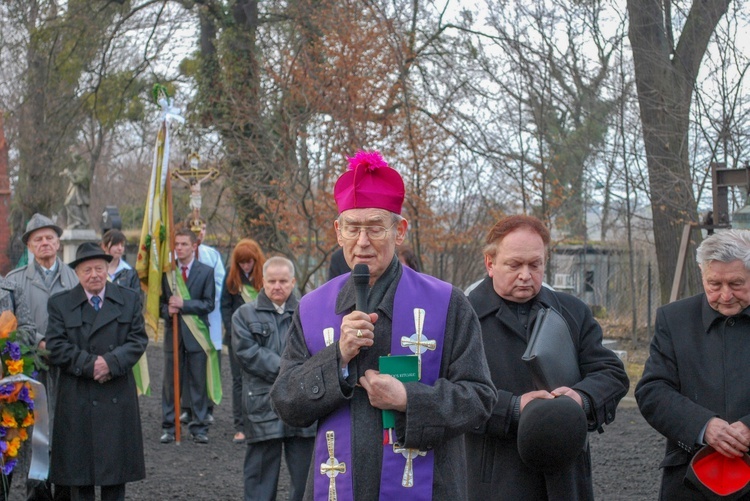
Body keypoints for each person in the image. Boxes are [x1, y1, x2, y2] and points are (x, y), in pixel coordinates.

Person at [270, 150, 496, 500]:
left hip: (429, 487)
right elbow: (285, 403)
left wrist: (409, 399)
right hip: (336, 485)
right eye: (353, 227)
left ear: (399, 230)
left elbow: (480, 399)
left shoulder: (448, 304)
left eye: (375, 227)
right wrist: (337, 358)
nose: (362, 241)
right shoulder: (312, 308)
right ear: (338, 231)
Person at [465, 215, 629, 500]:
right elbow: (452, 389)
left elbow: (611, 374)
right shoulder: (463, 317)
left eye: (535, 264)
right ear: (490, 263)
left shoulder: (571, 312)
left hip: (565, 478)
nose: (526, 275)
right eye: (515, 264)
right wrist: (515, 408)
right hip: (495, 477)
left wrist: (580, 398)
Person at [636, 229, 750, 499]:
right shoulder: (674, 319)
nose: (725, 295)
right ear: (702, 274)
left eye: (736, 284)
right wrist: (704, 426)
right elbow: (652, 391)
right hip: (691, 480)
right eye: (714, 284)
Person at [45, 242, 147, 501]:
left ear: (107, 269)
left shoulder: (129, 299)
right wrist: (91, 365)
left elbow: (138, 340)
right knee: (80, 477)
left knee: (115, 478)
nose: (94, 275)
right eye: (87, 270)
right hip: (78, 396)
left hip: (117, 393)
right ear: (77, 274)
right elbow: (56, 346)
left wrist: (110, 363)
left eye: (99, 268)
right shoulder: (60, 304)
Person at [6, 213, 79, 501]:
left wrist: (61, 348)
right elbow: (12, 325)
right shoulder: (15, 281)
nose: (45, 243)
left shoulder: (75, 277)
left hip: (68, 368)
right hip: (32, 371)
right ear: (30, 246)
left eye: (49, 237)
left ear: (58, 243)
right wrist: (40, 342)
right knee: (34, 434)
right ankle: (36, 490)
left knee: (66, 430)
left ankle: (64, 489)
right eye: (38, 239)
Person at [233, 256, 315, 501]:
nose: (277, 286)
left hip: (301, 404)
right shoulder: (243, 315)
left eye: (282, 281)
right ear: (262, 282)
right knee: (259, 483)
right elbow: (248, 354)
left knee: (305, 482)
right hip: (261, 404)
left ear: (293, 282)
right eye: (272, 281)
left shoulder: (309, 313)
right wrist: (292, 368)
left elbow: (318, 350)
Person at [160, 228, 216, 444]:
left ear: (194, 246)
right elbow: (159, 306)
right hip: (173, 336)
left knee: (197, 383)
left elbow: (209, 304)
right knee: (170, 383)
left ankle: (199, 427)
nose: (180, 248)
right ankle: (169, 426)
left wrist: (185, 304)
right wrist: (168, 311)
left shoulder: (206, 271)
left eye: (184, 244)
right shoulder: (168, 272)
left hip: (197, 336)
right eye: (177, 244)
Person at [179, 218, 225, 426]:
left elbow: (218, 284)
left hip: (207, 317)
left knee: (205, 364)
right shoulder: (177, 256)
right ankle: (186, 407)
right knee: (185, 366)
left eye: (203, 228)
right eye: (195, 229)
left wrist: (199, 303)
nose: (200, 232)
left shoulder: (211, 255)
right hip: (182, 321)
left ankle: (206, 406)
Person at [220, 238, 266, 444]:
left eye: (249, 262)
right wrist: (234, 331)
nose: (245, 266)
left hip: (262, 339)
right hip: (237, 340)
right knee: (238, 381)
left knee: (262, 378)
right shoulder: (232, 279)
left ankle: (262, 422)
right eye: (241, 263)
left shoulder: (265, 277)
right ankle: (240, 426)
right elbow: (225, 307)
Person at [0, 275, 38, 500]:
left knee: (4, 462)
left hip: (6, 394)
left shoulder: (11, 289)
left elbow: (28, 329)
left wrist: (7, 346)